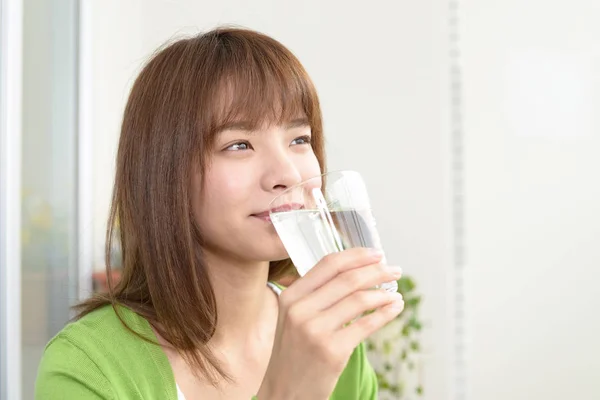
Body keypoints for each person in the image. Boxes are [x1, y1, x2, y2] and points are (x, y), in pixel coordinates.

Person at [35, 26, 404, 400]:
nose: (288, 175)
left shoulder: (327, 334)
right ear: (165, 172)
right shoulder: (89, 366)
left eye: (299, 139)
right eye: (239, 145)